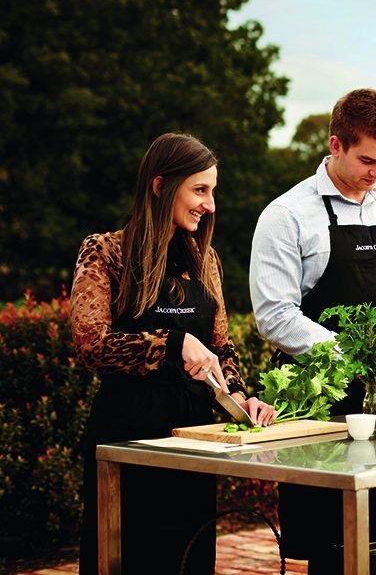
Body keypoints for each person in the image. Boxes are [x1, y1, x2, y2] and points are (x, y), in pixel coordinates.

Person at [250, 88, 376, 573]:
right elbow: (274, 315)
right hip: (321, 402)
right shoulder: (287, 215)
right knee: (333, 550)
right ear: (335, 145)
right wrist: (360, 364)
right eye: (367, 159)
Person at [71, 133, 277, 575]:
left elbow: (221, 348)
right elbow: (92, 347)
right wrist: (172, 343)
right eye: (200, 190)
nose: (211, 204)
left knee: (188, 561)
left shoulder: (207, 260)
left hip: (195, 440)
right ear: (161, 187)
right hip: (128, 440)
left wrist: (240, 396)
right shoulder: (105, 252)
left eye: (212, 191)